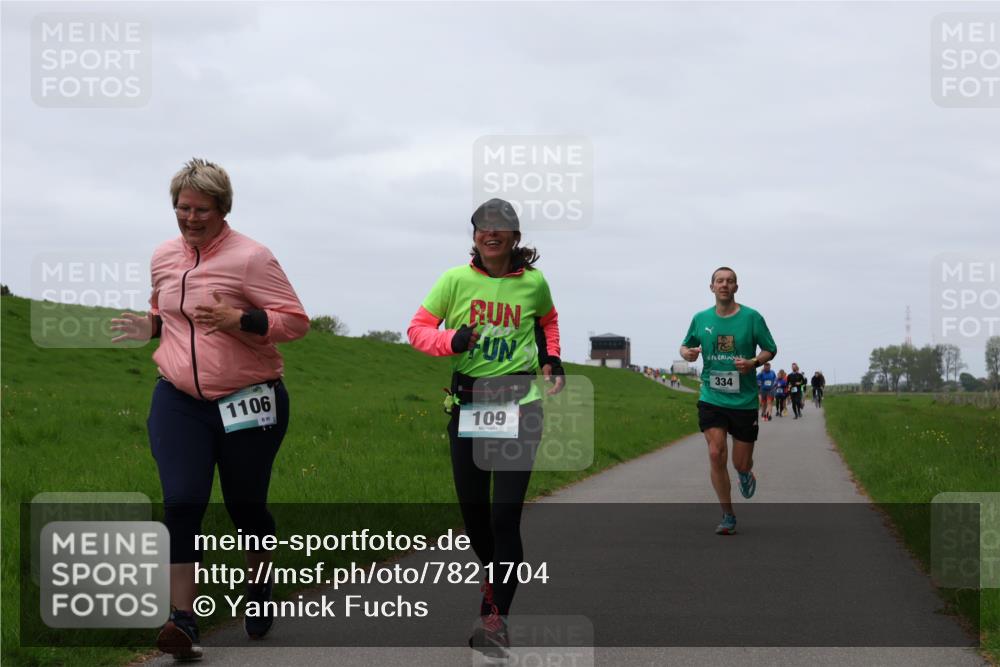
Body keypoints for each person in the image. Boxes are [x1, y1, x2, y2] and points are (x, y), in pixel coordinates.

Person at [111, 158, 309, 660]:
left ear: (223, 209)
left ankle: (259, 586)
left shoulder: (252, 258)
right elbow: (170, 314)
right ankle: (183, 621)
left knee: (245, 506)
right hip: (178, 398)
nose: (191, 218)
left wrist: (241, 319)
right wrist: (150, 326)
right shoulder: (163, 255)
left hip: (248, 399)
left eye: (201, 209)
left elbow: (295, 322)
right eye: (183, 208)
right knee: (181, 503)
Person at [407, 198, 564, 659]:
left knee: (504, 517)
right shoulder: (454, 280)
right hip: (469, 407)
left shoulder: (533, 283)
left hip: (521, 407)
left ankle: (494, 618)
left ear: (515, 237)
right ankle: (497, 575)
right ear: (474, 235)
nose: (491, 233)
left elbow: (548, 322)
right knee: (475, 518)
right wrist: (451, 340)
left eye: (501, 226)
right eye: (482, 226)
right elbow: (417, 330)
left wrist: (552, 359)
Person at [679, 267, 777, 535]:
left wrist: (753, 362)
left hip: (744, 401)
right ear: (711, 287)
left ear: (736, 287)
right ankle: (728, 515)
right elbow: (685, 346)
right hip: (712, 397)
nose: (724, 284)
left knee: (740, 463)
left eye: (730, 281)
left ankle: (745, 473)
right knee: (715, 452)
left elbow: (770, 349)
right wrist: (688, 354)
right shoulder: (700, 318)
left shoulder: (752, 317)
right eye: (720, 281)